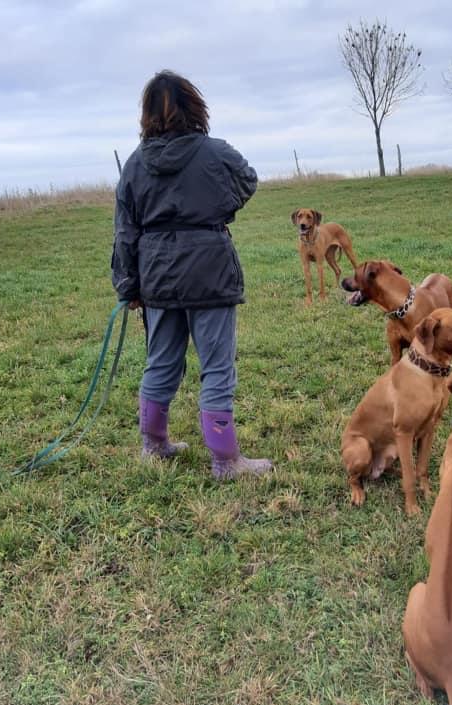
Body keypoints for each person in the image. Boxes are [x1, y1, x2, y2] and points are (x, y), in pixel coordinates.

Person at [111, 70, 272, 479]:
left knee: (160, 360)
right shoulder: (215, 152)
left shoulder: (133, 164)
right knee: (217, 365)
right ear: (193, 106)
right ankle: (225, 460)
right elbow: (247, 181)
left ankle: (154, 446)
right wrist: (217, 209)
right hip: (209, 271)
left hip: (158, 276)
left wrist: (128, 285)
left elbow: (125, 231)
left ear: (146, 114)